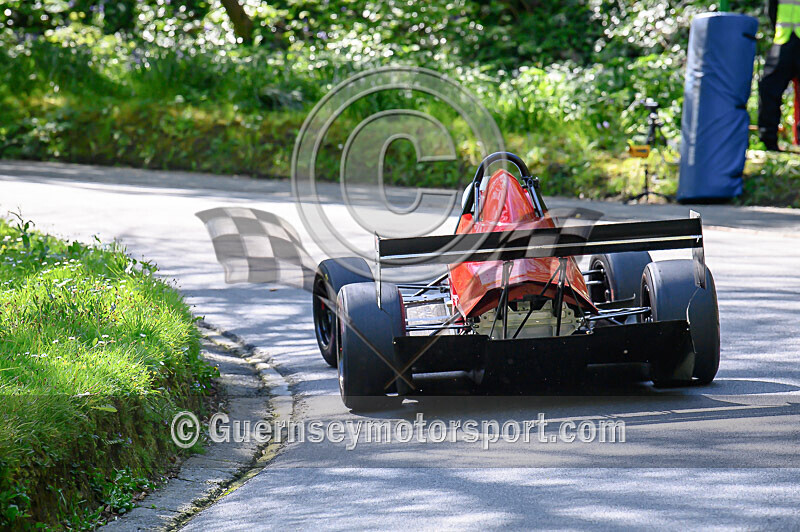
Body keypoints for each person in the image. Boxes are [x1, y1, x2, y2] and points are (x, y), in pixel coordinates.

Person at [758, 0, 800, 151]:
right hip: (783, 40)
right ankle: (768, 139)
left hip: (787, 41)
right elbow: (772, 9)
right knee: (768, 87)